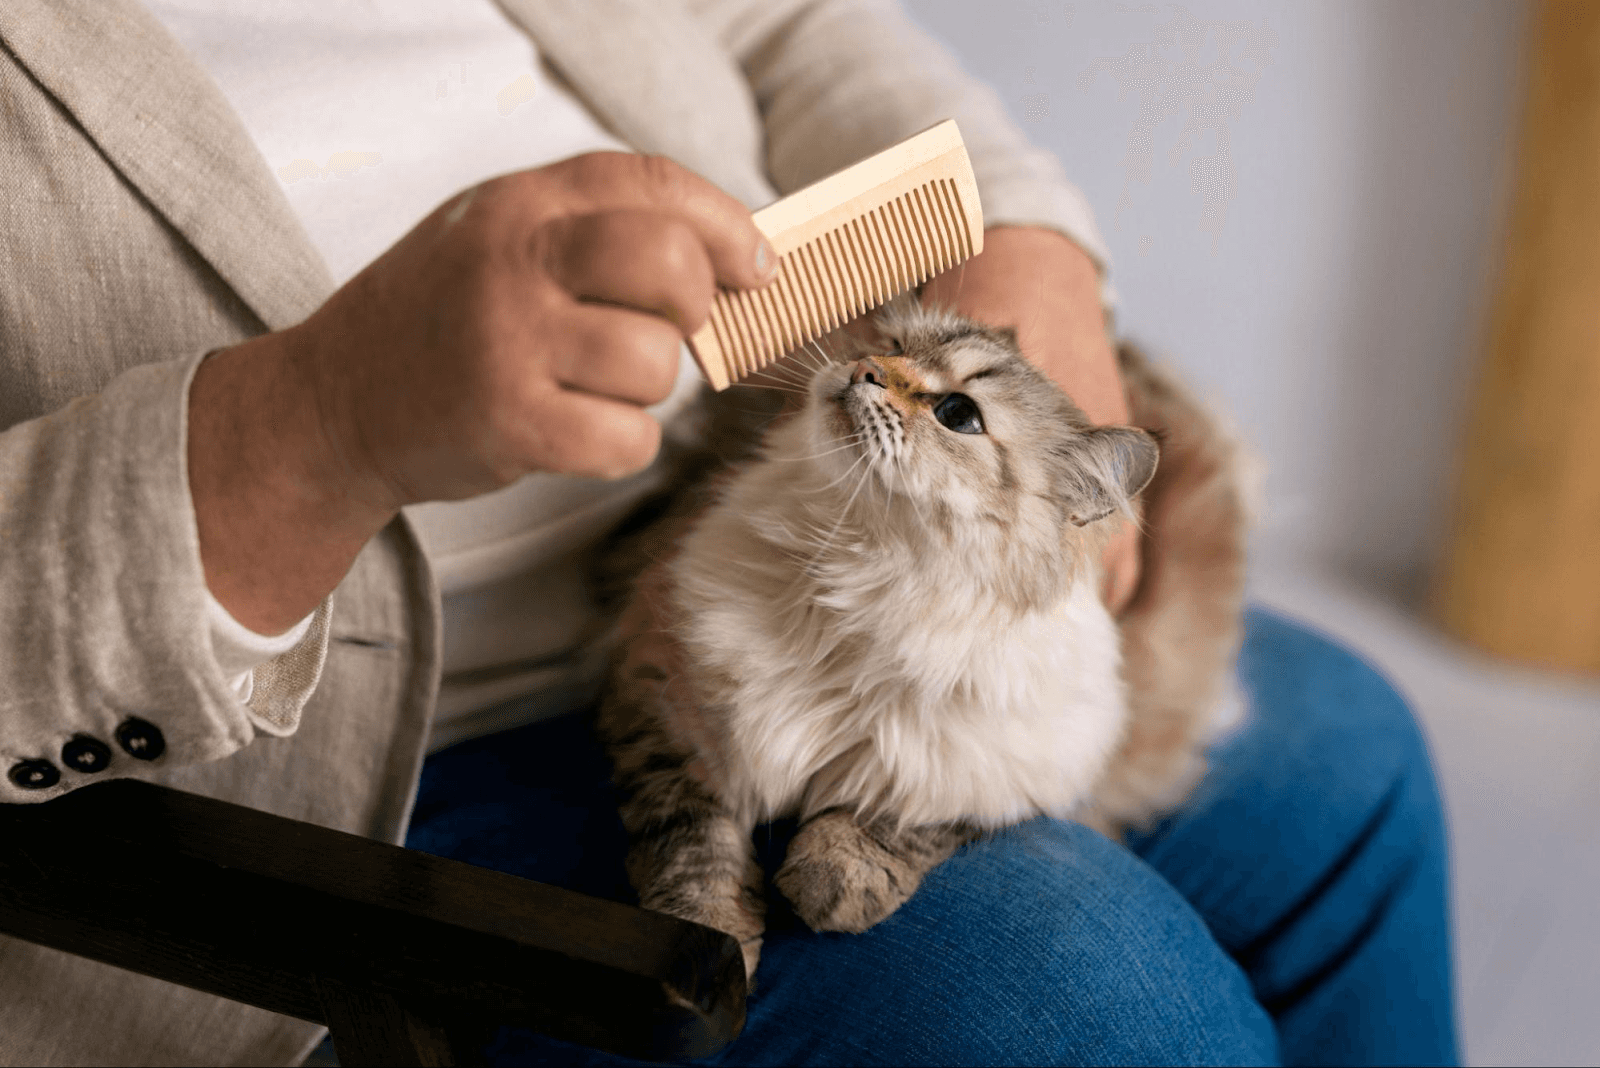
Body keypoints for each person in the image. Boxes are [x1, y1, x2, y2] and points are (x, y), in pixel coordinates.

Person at [0, 1, 1458, 1064]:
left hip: (793, 524)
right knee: (1090, 1007)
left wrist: (1019, 233)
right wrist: (316, 426)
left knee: (1353, 763)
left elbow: (775, 18)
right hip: (337, 779)